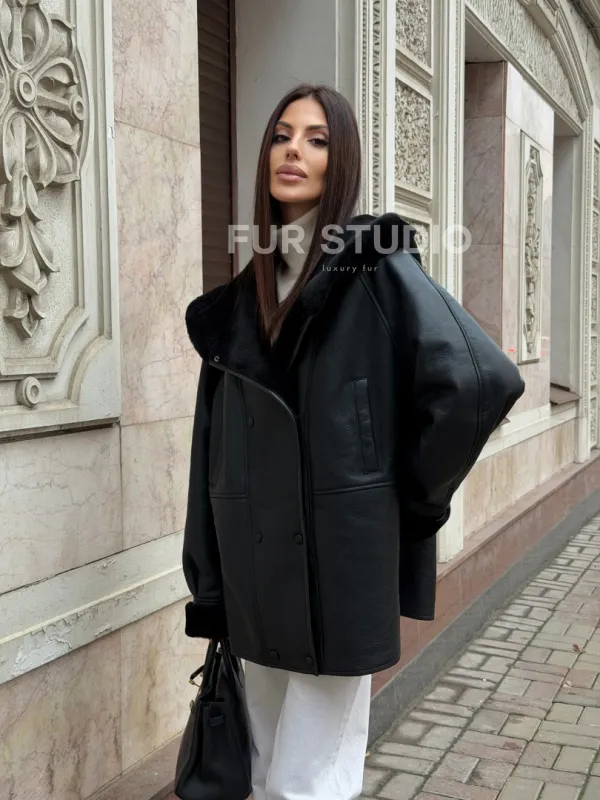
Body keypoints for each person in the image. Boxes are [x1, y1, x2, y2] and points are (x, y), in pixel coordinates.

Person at [182, 83, 525, 800]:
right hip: (255, 573)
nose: (294, 151)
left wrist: (410, 500)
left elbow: (478, 381)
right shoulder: (242, 299)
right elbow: (210, 452)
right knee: (266, 771)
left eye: (317, 139)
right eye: (282, 135)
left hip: (336, 572)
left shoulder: (375, 266)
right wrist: (208, 581)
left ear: (341, 163)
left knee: (306, 783)